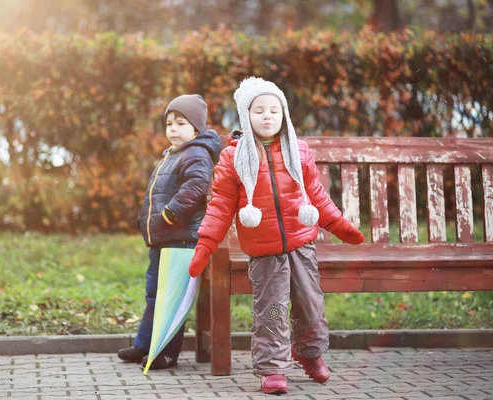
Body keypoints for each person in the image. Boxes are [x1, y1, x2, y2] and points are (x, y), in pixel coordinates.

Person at [187, 77, 365, 394]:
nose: (267, 116)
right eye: (258, 111)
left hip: (302, 244)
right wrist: (206, 243)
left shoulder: (297, 151)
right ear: (246, 116)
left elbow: (316, 194)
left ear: (283, 114)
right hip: (265, 252)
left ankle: (309, 353)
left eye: (274, 110)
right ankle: (272, 368)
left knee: (310, 303)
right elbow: (220, 206)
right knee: (272, 309)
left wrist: (338, 224)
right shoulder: (234, 158)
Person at [117, 94, 222, 370]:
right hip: (164, 238)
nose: (172, 129)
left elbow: (198, 183)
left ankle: (166, 352)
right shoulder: (174, 154)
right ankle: (144, 343)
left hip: (182, 238)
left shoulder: (197, 153)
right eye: (169, 123)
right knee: (154, 294)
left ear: (196, 129)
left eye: (180, 123)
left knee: (171, 297)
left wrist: (171, 212)